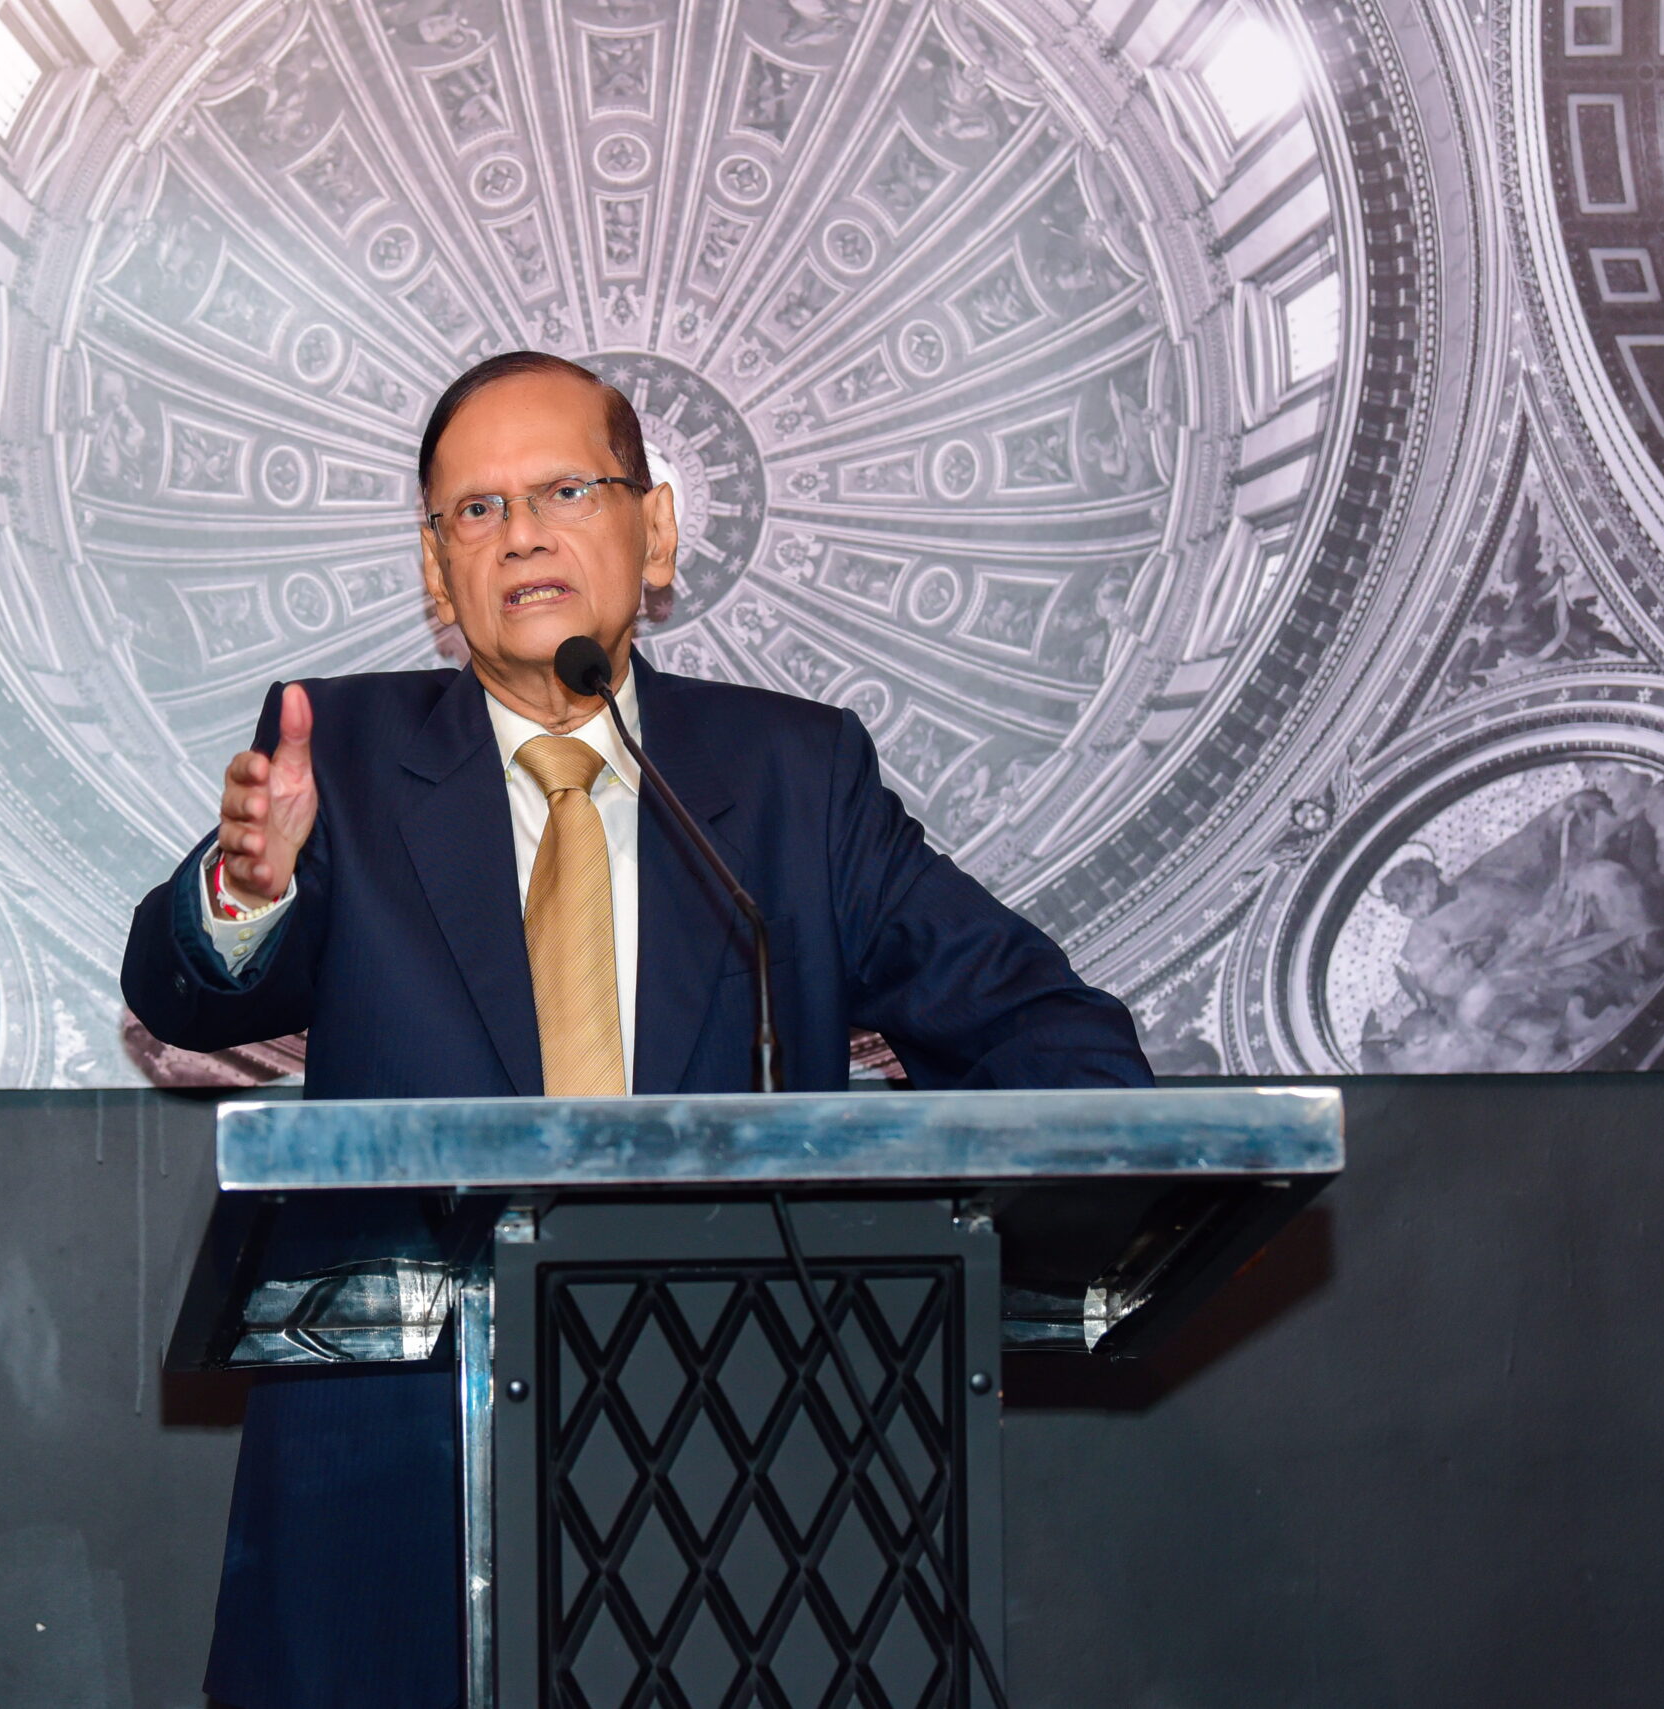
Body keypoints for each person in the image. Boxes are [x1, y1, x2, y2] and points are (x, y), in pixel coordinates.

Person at [122, 351, 1151, 1709]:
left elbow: (1036, 1024)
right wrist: (246, 889)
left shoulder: (792, 778)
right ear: (437, 569)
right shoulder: (347, 759)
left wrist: (998, 1280)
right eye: (476, 510)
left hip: (750, 1481)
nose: (522, 533)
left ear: (654, 530)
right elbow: (185, 992)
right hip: (393, 1491)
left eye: (566, 490)